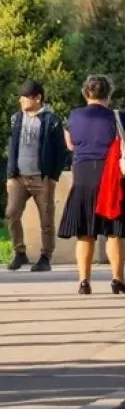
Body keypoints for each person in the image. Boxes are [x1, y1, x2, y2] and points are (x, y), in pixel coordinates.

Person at [57, 75, 125, 295]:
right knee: (114, 231)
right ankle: (117, 279)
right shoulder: (117, 116)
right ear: (109, 94)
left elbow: (70, 144)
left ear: (86, 93)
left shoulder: (74, 116)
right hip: (110, 175)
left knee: (85, 232)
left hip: (83, 175)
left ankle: (84, 281)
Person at [6, 80, 68, 272]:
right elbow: (13, 147)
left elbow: (61, 150)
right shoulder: (17, 118)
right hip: (19, 177)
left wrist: (53, 177)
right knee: (11, 214)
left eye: (25, 97)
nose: (22, 101)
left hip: (42, 177)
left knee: (46, 219)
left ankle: (45, 257)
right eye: (21, 97)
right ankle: (19, 252)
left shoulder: (52, 120)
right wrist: (10, 175)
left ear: (38, 98)